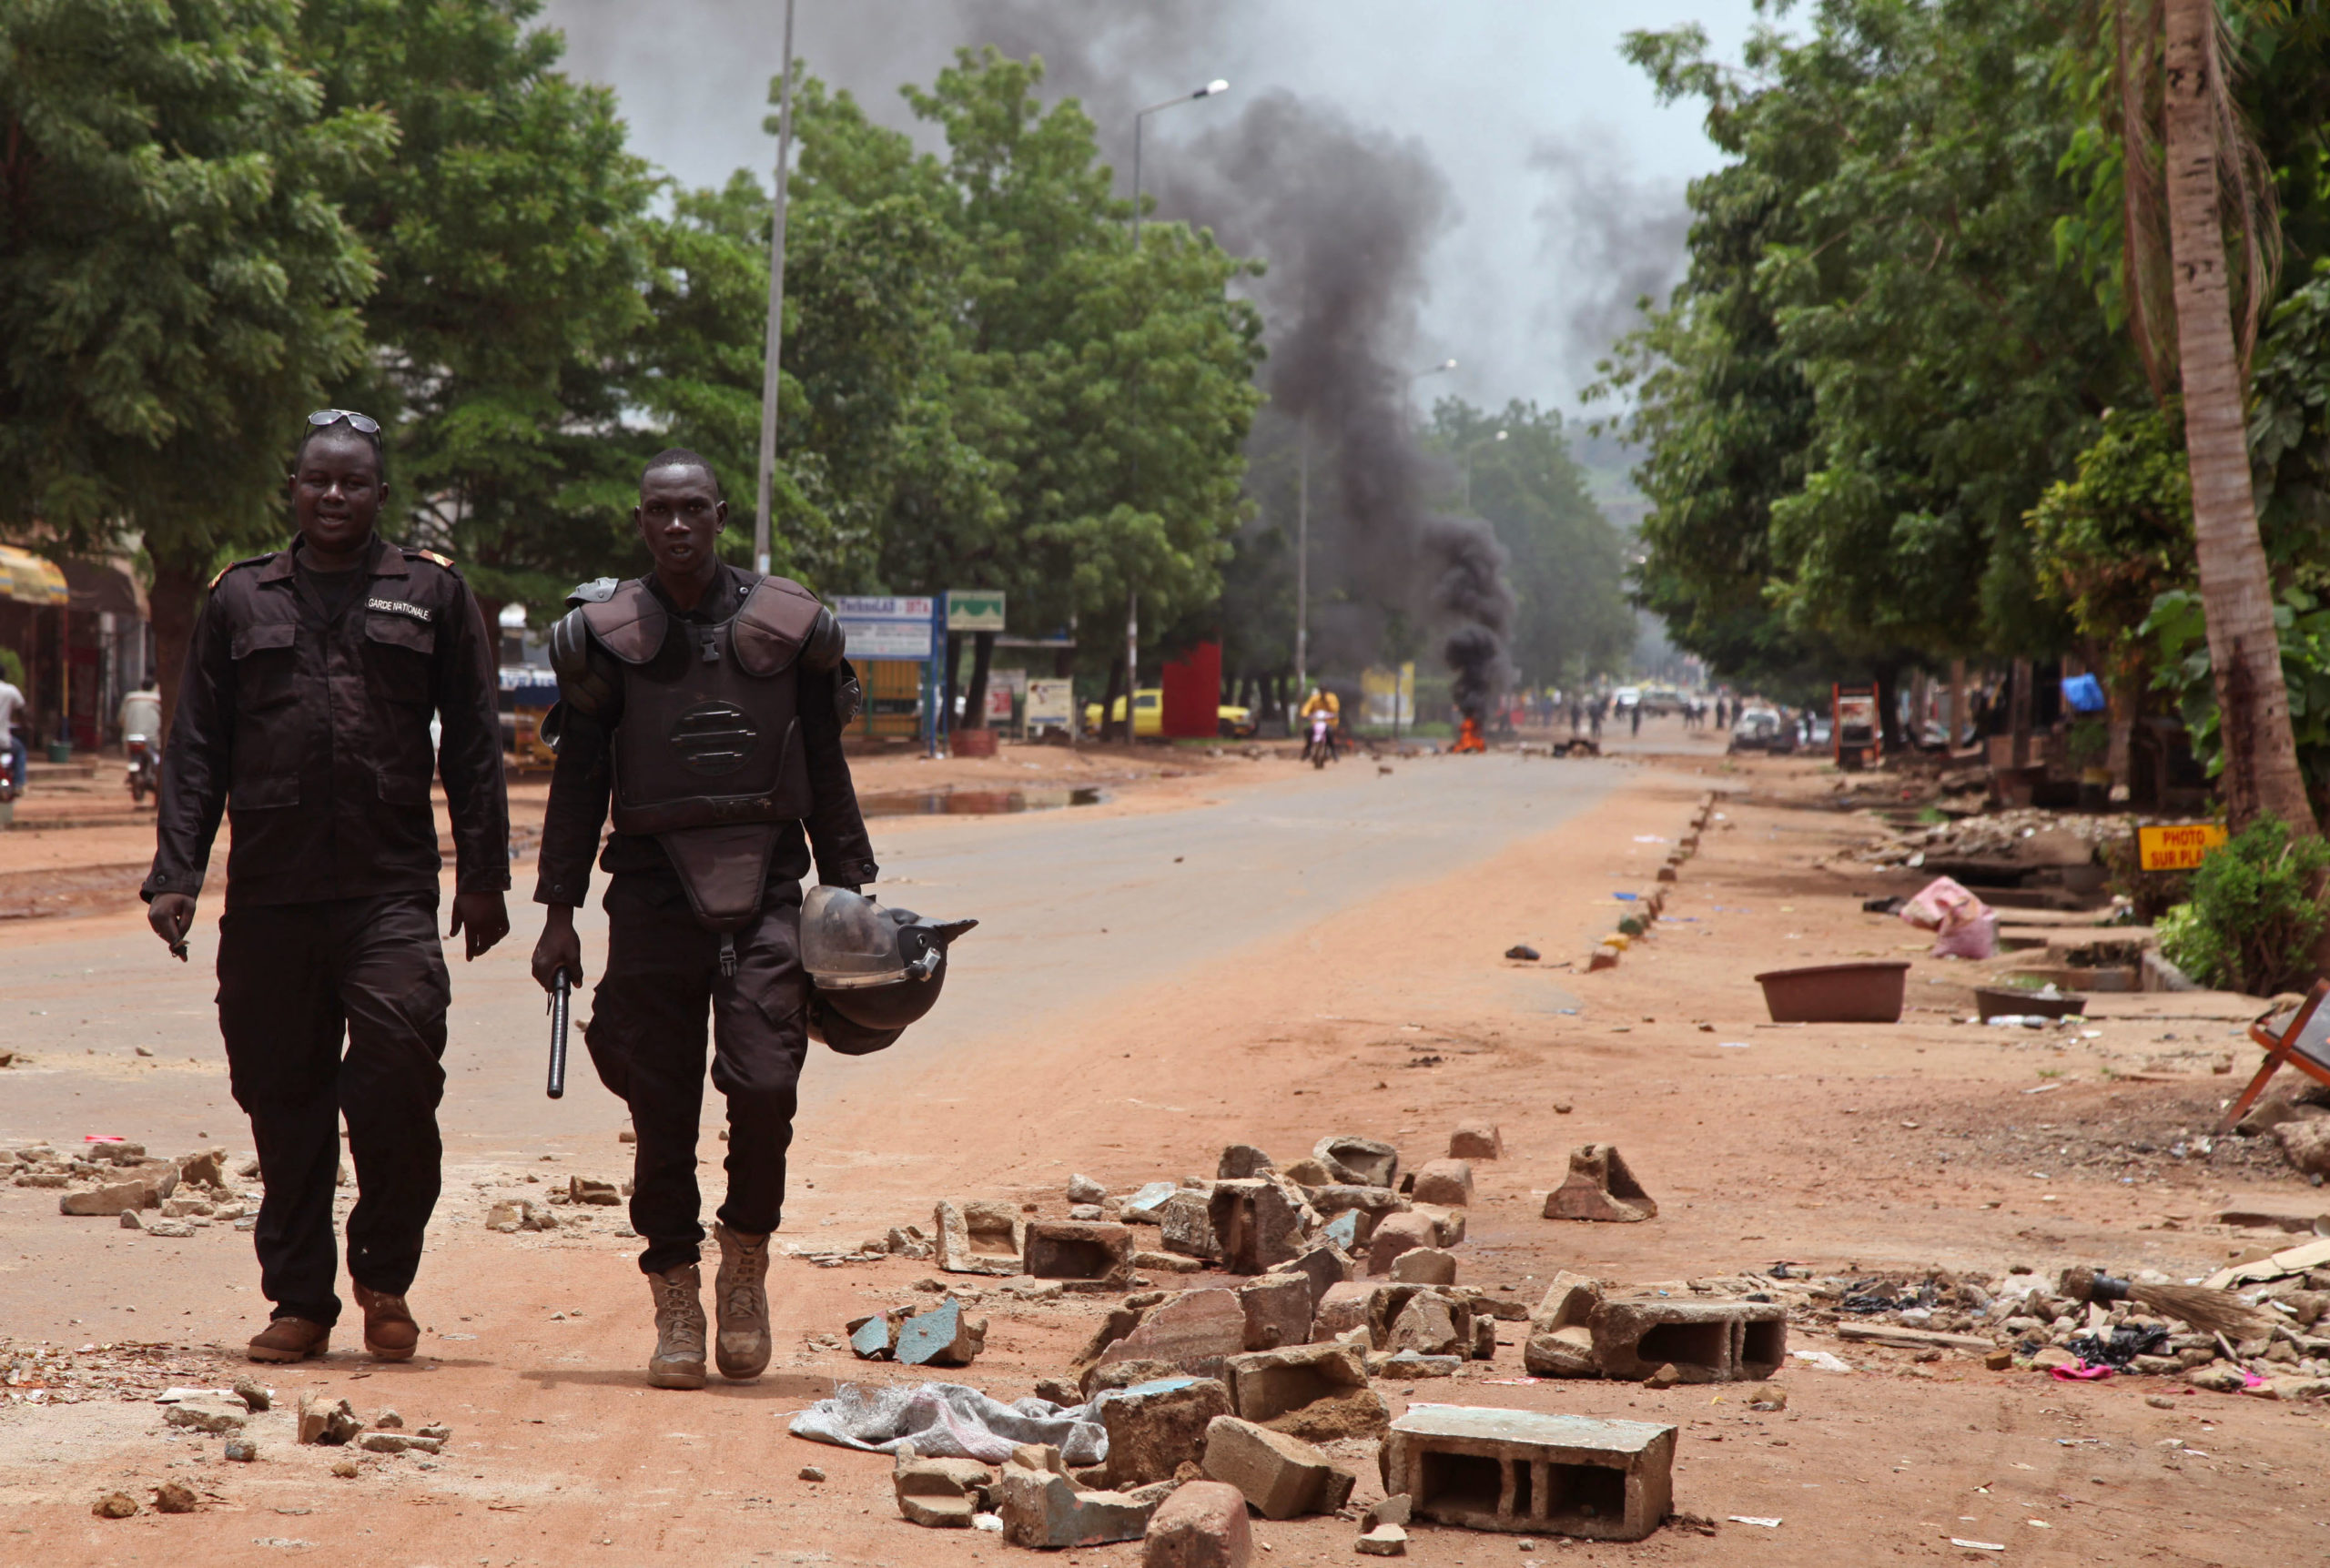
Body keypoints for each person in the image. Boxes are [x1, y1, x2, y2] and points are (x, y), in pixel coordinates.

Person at [142, 410, 511, 1365]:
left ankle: (385, 1274)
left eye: (353, 482)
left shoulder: (430, 593)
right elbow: (195, 753)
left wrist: (485, 877)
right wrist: (175, 873)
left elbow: (473, 744)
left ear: (382, 494)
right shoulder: (240, 599)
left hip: (390, 889)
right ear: (293, 491)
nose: (335, 495)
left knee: (395, 1068)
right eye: (317, 481)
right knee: (284, 1097)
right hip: (270, 896)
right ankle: (299, 1299)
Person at [530, 450, 876, 1391]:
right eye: (659, 511)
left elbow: (828, 775)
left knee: (765, 1080)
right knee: (659, 1102)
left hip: (765, 881)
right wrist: (556, 912)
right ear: (638, 521)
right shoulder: (605, 636)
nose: (677, 524)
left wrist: (852, 897)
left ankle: (746, 1257)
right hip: (647, 892)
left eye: (694, 508)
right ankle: (674, 1289)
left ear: (721, 513)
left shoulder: (791, 627)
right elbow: (579, 782)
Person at [119, 679, 163, 748]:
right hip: (151, 738)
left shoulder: (130, 697)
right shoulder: (157, 699)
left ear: (141, 686)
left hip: (130, 737)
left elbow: (121, 718)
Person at [0, 669, 25, 793]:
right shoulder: (10, 690)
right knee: (20, 750)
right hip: (3, 740)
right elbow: (22, 710)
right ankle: (18, 785)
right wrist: (25, 725)